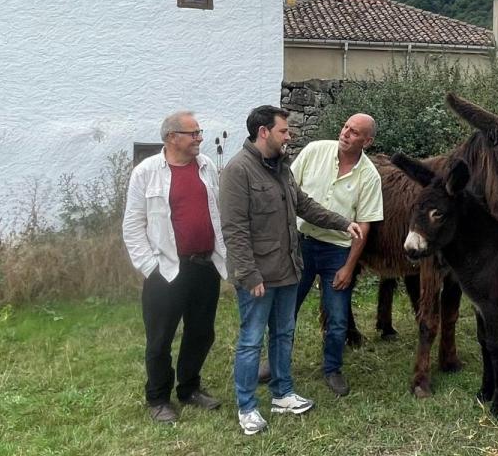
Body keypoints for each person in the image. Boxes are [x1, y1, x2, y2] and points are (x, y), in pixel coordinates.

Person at [220, 105, 362, 436]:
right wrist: (250, 274)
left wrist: (344, 223)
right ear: (263, 132)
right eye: (284, 131)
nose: (289, 136)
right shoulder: (238, 171)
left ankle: (283, 394)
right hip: (258, 276)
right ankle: (247, 407)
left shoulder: (281, 167)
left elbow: (304, 205)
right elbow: (234, 230)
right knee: (251, 341)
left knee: (284, 334)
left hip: (287, 270)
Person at [122, 110, 226, 424]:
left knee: (201, 333)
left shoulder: (207, 166)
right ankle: (157, 398)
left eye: (200, 132)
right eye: (193, 133)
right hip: (166, 270)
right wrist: (149, 266)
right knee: (160, 338)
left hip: (205, 266)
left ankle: (189, 388)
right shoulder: (147, 171)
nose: (200, 138)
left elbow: (217, 213)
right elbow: (132, 225)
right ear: (171, 137)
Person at [291, 113, 383, 397]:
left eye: (354, 132)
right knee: (286, 309)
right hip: (301, 244)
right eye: (345, 127)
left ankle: (332, 368)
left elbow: (364, 225)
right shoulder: (314, 151)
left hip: (337, 252)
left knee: (338, 317)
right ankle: (276, 363)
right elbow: (287, 191)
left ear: (367, 141)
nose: (345, 133)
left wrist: (349, 267)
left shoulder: (369, 176)